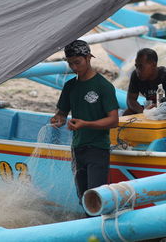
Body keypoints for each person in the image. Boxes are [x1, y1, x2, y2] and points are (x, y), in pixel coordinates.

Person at [50, 40, 119, 204]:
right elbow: (61, 113)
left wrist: (86, 124)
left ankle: (97, 227)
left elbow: (113, 120)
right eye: (70, 63)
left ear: (88, 57)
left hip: (98, 149)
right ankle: (90, 225)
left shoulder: (104, 86)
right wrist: (57, 119)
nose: (74, 67)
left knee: (95, 196)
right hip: (77, 148)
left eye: (77, 62)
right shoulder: (70, 86)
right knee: (83, 197)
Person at [124, 48, 166, 115]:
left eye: (140, 67)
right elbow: (131, 100)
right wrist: (143, 113)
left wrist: (156, 108)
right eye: (136, 66)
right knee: (127, 113)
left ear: (153, 65)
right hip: (150, 110)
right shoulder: (135, 76)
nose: (137, 71)